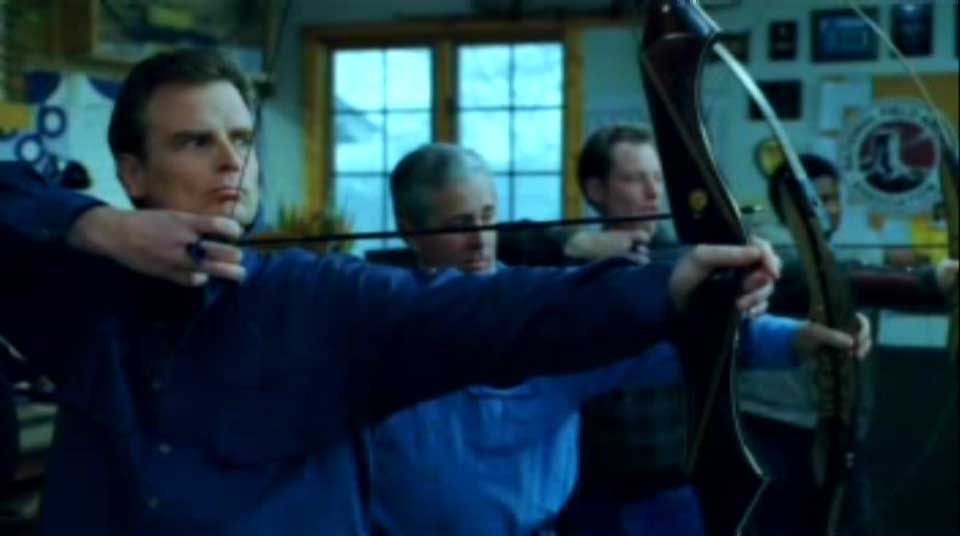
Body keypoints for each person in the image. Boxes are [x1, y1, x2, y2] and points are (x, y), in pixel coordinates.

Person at [0, 49, 788, 536]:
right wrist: (92, 225)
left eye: (241, 138)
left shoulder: (321, 297)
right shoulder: (77, 287)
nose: (231, 162)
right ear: (133, 172)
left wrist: (669, 284)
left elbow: (500, 310)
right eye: (194, 141)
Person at [365, 143, 869, 535]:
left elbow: (687, 337)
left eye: (488, 216)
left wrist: (801, 337)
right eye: (459, 226)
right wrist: (573, 242)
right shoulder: (374, 316)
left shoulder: (547, 310)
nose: (481, 239)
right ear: (410, 231)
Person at [544, 124, 874, 536]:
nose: (653, 192)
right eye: (634, 178)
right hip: (589, 489)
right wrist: (573, 241)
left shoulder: (689, 259)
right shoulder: (565, 274)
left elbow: (780, 293)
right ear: (596, 189)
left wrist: (823, 320)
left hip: (675, 484)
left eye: (657, 177)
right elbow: (502, 253)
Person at [740, 153, 957, 536]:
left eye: (833, 198)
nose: (829, 209)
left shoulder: (846, 257)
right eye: (817, 200)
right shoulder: (767, 259)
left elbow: (859, 277)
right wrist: (931, 281)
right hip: (773, 427)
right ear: (786, 208)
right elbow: (826, 279)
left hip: (839, 428)